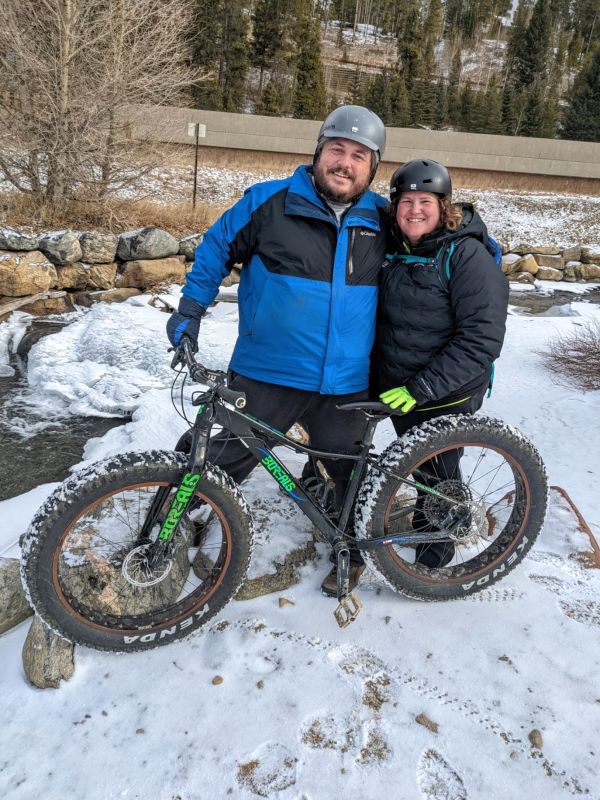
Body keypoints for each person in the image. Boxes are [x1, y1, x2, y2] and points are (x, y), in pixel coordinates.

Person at [166, 105, 388, 597]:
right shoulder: (269, 202)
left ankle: (347, 546)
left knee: (346, 474)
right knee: (227, 453)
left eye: (358, 155)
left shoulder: (383, 218)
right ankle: (176, 516)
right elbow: (216, 246)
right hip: (269, 369)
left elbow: (441, 247)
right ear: (317, 152)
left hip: (346, 380)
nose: (344, 163)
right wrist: (191, 309)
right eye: (336, 149)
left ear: (373, 168)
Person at [376, 159, 509, 569]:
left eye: (425, 201)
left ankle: (433, 561)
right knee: (399, 462)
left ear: (443, 206)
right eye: (406, 201)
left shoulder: (465, 255)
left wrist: (422, 388)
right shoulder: (396, 247)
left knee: (436, 479)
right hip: (396, 380)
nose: (415, 209)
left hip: (445, 390)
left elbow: (481, 339)